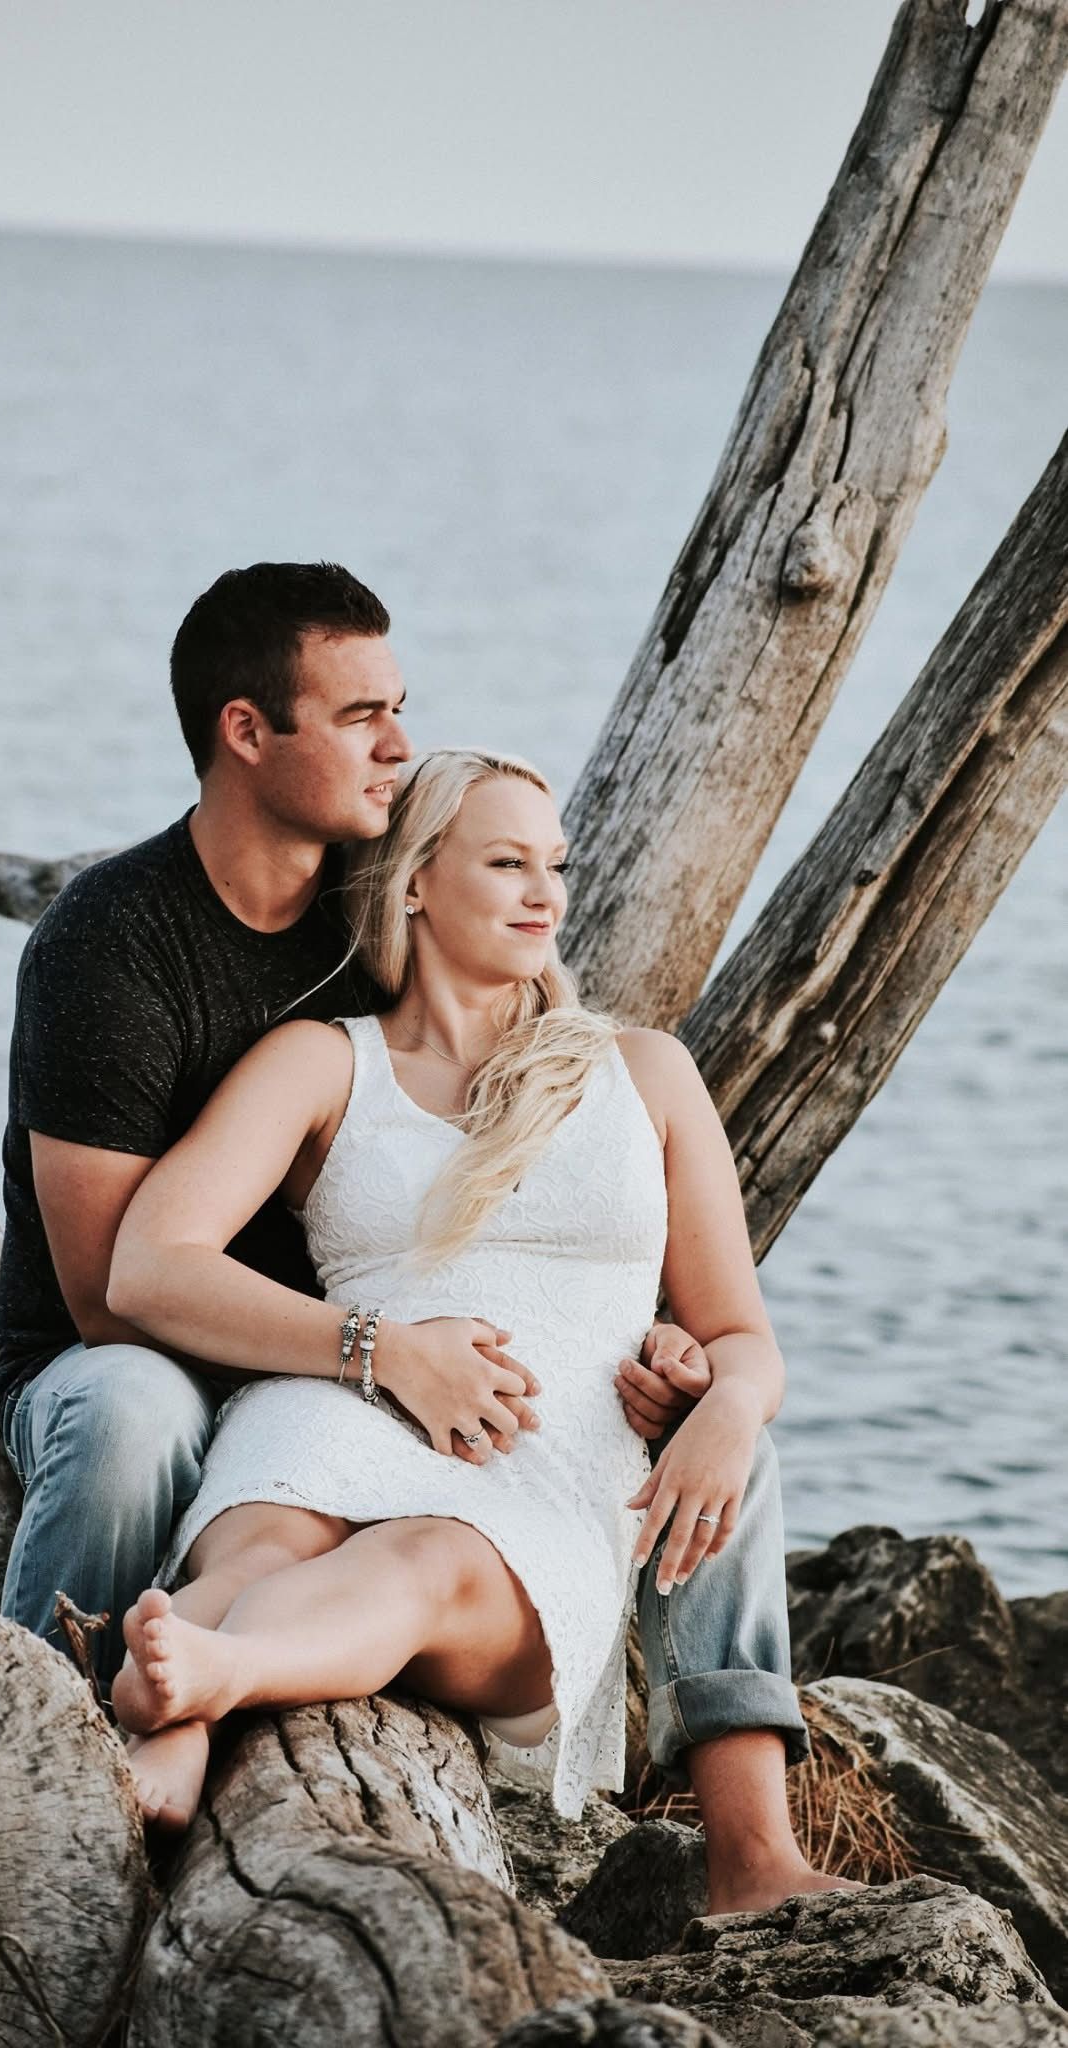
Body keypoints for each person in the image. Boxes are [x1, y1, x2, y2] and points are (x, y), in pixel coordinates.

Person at [105, 747, 861, 1919]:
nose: (545, 892)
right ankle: (177, 1709)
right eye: (507, 862)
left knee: (425, 1560)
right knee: (258, 1547)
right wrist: (384, 1350)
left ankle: (202, 1684)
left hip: (544, 1469)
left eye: (554, 865)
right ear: (413, 881)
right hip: (339, 1405)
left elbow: (739, 1330)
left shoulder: (643, 1074)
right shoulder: (323, 1061)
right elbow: (151, 1264)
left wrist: (727, 1404)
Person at [0, 563, 705, 1685]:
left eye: (401, 709)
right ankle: (41, 1717)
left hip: (353, 1366)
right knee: (134, 1414)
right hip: (140, 1357)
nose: (398, 746)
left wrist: (652, 1341)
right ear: (247, 731)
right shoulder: (112, 944)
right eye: (362, 714)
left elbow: (518, 1101)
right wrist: (372, 1357)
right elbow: (105, 1297)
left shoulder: (379, 906)